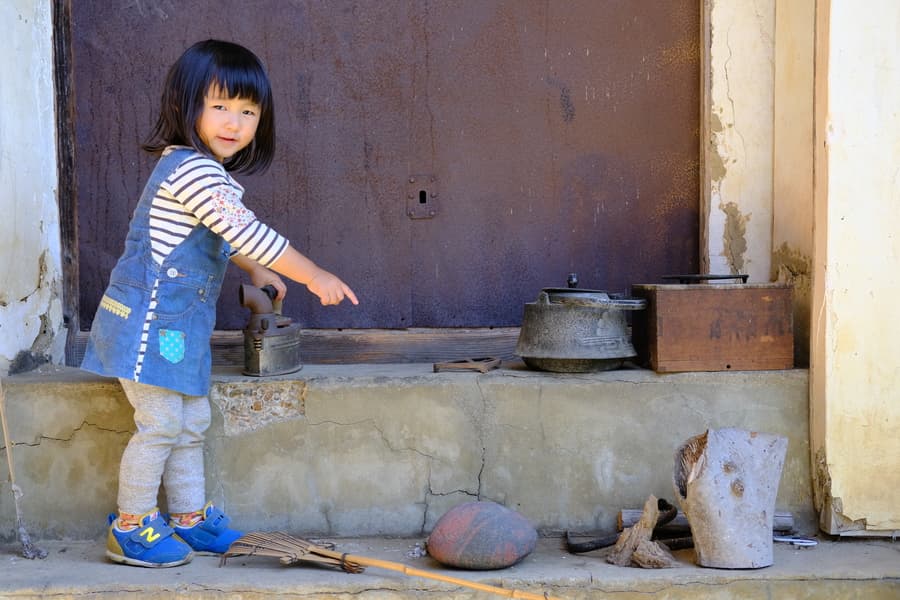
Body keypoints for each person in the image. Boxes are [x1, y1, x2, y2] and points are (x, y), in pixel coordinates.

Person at [80, 39, 358, 568]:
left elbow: (221, 237)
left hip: (176, 329)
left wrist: (254, 270)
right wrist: (312, 272)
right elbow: (247, 232)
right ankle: (130, 525)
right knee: (160, 424)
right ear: (186, 107)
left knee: (190, 421)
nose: (234, 121)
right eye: (220, 106)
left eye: (248, 111)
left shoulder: (209, 175)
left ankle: (187, 517)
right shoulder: (190, 169)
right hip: (145, 324)